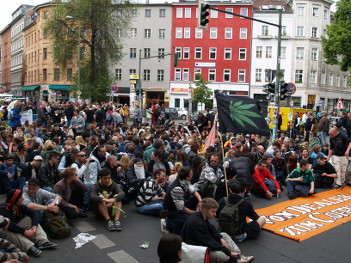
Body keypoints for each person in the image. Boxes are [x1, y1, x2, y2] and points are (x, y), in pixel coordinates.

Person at [181, 198, 254, 263]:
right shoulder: (198, 223)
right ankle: (234, 257)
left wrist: (221, 239)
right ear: (205, 210)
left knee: (223, 235)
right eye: (213, 211)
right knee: (222, 256)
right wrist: (228, 252)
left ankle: (239, 257)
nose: (215, 214)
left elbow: (212, 229)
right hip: (197, 251)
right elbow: (209, 243)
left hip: (202, 244)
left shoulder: (201, 216)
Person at [0, 189, 57, 257]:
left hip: (15, 226)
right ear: (15, 199)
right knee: (5, 230)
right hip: (6, 231)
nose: (23, 198)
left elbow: (33, 213)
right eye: (20, 197)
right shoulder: (4, 209)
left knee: (28, 219)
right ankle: (29, 247)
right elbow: (9, 226)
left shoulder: (18, 206)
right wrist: (25, 232)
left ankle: (43, 241)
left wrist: (34, 226)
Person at [164, 166, 202, 235]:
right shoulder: (177, 189)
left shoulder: (184, 181)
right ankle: (168, 223)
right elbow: (181, 209)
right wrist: (194, 213)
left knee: (195, 199)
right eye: (191, 175)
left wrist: (200, 201)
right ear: (187, 177)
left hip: (179, 206)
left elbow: (194, 191)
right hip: (172, 211)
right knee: (192, 220)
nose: (192, 176)